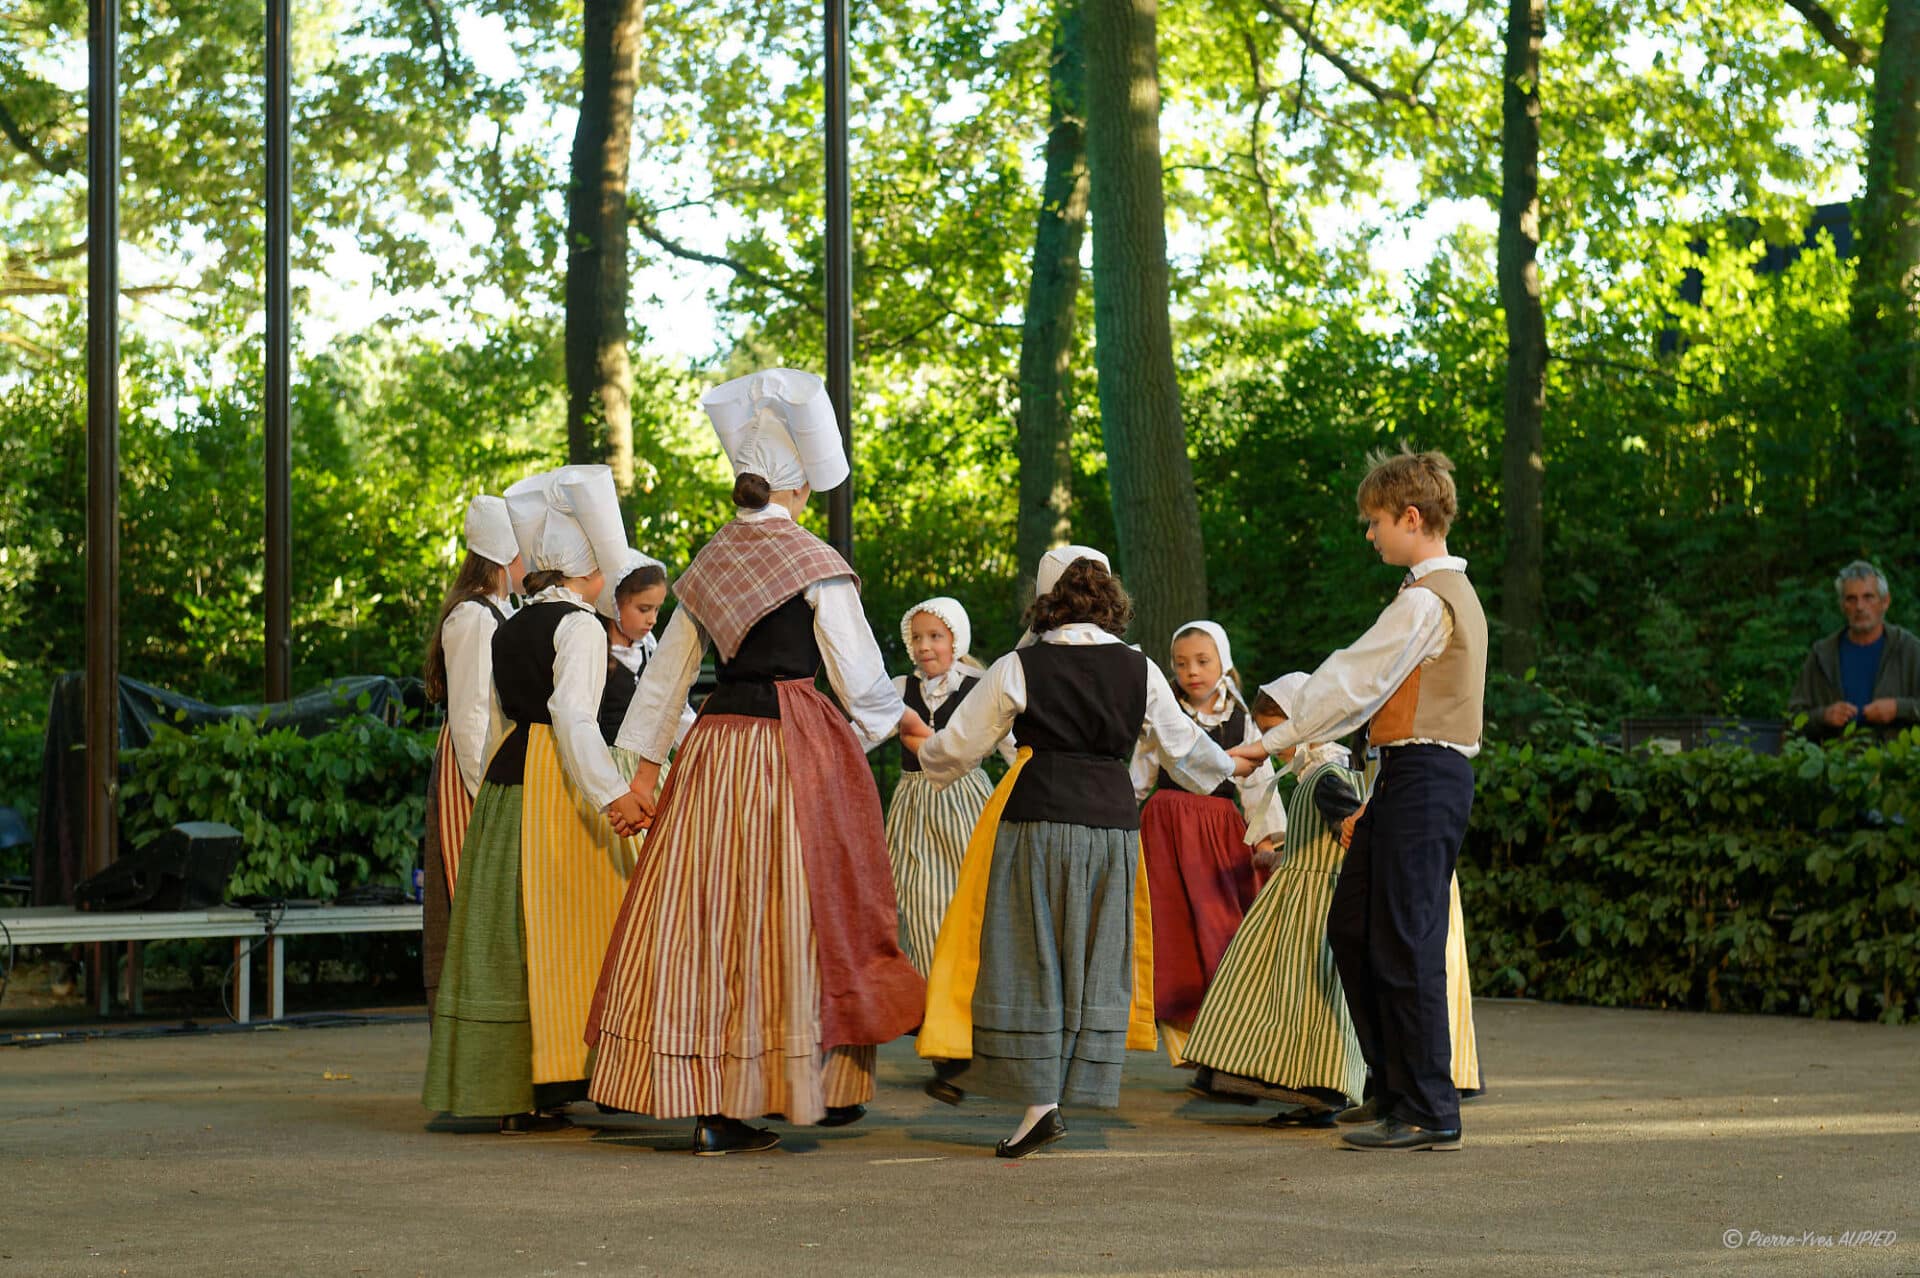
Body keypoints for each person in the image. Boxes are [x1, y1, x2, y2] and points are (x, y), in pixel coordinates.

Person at [585, 368, 929, 1156]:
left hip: (713, 752)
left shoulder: (710, 561)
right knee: (806, 912)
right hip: (791, 754)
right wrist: (894, 727)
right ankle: (805, 1082)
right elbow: (859, 677)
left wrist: (644, 776)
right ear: (798, 484)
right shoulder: (814, 560)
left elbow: (667, 679)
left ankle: (713, 1103)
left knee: (706, 921)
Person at [912, 547, 1254, 1159]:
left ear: (1047, 598)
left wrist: (925, 754)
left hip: (1038, 818)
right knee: (1094, 953)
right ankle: (1069, 1089)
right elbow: (1185, 749)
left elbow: (956, 748)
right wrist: (1233, 764)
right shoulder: (1141, 668)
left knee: (1030, 951)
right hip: (1112, 824)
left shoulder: (1020, 666)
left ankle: (1041, 1103)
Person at [1231, 446, 1483, 1152]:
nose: (1369, 534)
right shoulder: (1425, 598)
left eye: (1374, 521)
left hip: (1428, 774)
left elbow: (1353, 679)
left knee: (1404, 939)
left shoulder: (1428, 602)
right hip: (1404, 777)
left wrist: (1274, 740)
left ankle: (1431, 1107)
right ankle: (1391, 1088)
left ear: (1410, 517)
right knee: (1355, 929)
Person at [421, 464, 650, 1133]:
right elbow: (576, 720)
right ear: (591, 570)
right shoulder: (579, 630)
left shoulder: (513, 624)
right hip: (557, 783)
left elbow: (493, 715)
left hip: (507, 777)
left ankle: (513, 1088)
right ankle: (572, 1068)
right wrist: (612, 793)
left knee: (510, 929)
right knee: (573, 925)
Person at [1185, 673, 1365, 1125]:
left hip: (1314, 904)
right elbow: (1321, 837)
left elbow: (1350, 832)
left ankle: (1322, 1089)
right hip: (1296, 894)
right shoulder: (1314, 775)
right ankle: (1296, 1082)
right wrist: (1283, 855)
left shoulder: (1327, 776)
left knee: (1305, 991)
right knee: (1272, 988)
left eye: (1274, 733)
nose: (1273, 744)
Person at [1130, 620, 1282, 1063]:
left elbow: (1258, 782)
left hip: (1218, 834)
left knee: (1220, 931)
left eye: (1202, 661)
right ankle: (1189, 1049)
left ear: (1224, 662)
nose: (1191, 671)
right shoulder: (1161, 714)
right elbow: (1141, 775)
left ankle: (1228, 1043)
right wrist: (1118, 814)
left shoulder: (1241, 720)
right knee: (1171, 935)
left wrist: (1267, 838)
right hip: (1166, 831)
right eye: (1180, 663)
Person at [420, 494, 523, 1017]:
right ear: (505, 557)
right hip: (473, 767)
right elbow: (469, 714)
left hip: (492, 759)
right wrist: (480, 790)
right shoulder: (472, 618)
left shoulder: (500, 611)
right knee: (472, 901)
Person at [882, 597, 1013, 976]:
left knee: (972, 896)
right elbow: (864, 733)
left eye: (935, 636)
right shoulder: (900, 688)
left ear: (956, 640)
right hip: (914, 802)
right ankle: (935, 994)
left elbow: (1011, 745)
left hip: (966, 799)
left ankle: (975, 992)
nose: (924, 646)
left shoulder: (979, 686)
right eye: (917, 637)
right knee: (920, 897)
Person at [1788, 560, 1920, 739]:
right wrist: (1824, 716)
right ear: (1843, 606)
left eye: (1868, 597)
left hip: (1895, 763)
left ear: (1885, 602)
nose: (1859, 607)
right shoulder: (1822, 655)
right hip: (1834, 762)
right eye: (1851, 599)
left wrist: (1898, 708)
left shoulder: (1909, 649)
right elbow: (1792, 720)